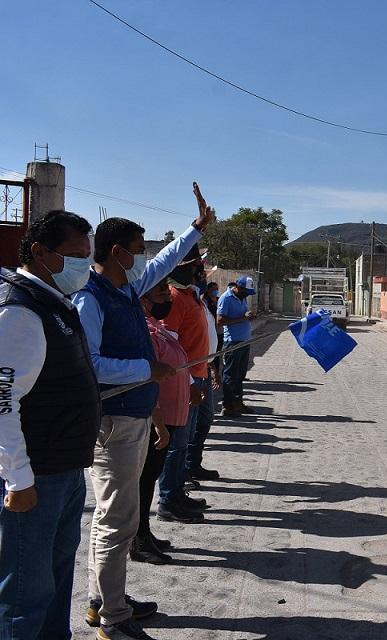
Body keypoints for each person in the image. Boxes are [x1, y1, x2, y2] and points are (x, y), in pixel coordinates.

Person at [73, 183, 213, 640]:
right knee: (116, 519)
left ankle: (105, 600)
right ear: (115, 252)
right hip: (113, 424)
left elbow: (163, 263)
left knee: (118, 515)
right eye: (135, 249)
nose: (141, 257)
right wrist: (144, 368)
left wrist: (194, 231)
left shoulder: (125, 290)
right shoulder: (90, 299)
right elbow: (88, 365)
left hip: (131, 419)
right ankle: (113, 618)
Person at [0, 211, 98, 640]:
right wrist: (19, 480)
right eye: (76, 255)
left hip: (64, 470)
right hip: (35, 477)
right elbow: (2, 403)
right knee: (25, 595)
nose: (84, 265)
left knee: (55, 585)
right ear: (40, 252)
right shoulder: (19, 312)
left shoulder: (50, 302)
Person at [133, 282, 188, 564]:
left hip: (171, 417)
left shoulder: (158, 325)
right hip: (159, 420)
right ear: (144, 300)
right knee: (143, 480)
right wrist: (158, 422)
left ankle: (145, 531)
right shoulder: (144, 330)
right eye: (162, 295)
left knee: (150, 478)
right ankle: (138, 539)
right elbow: (147, 379)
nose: (168, 298)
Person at [156, 246, 210, 522]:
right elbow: (170, 344)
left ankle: (177, 492)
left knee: (186, 438)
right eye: (195, 266)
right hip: (184, 381)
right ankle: (168, 499)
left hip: (199, 373)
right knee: (177, 442)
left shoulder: (192, 295)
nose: (200, 270)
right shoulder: (175, 298)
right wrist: (189, 382)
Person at [187, 271, 221, 483]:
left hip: (205, 368)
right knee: (187, 428)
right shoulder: (180, 299)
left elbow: (209, 338)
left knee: (205, 420)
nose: (201, 277)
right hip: (191, 375)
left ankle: (193, 464)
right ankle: (180, 475)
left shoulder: (199, 302)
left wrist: (214, 367)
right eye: (197, 272)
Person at [217, 277, 255, 418]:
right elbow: (220, 321)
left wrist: (248, 316)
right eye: (246, 292)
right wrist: (243, 319)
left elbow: (242, 315)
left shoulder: (242, 298)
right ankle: (227, 406)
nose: (248, 295)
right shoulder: (225, 298)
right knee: (230, 375)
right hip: (232, 342)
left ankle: (238, 402)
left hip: (244, 341)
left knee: (240, 375)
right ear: (238, 287)